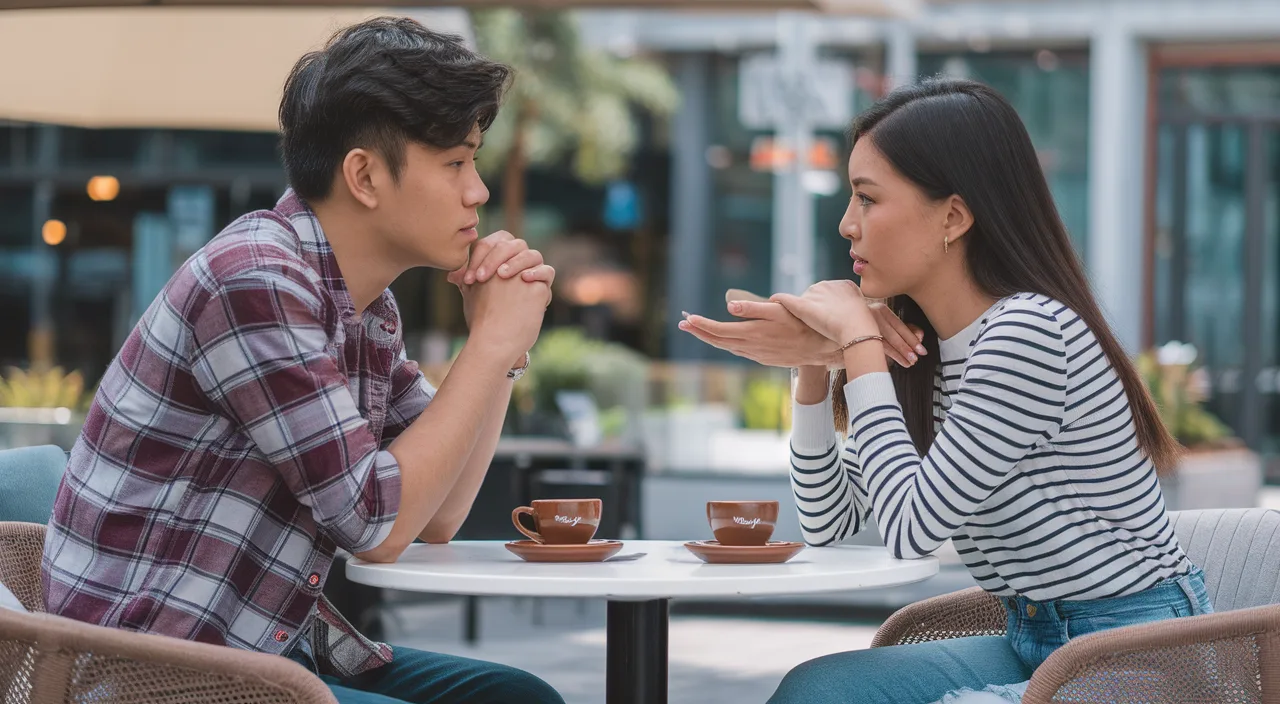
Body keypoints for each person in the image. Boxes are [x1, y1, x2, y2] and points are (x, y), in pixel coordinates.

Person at [42, 17, 564, 704]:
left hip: (269, 651)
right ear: (365, 175)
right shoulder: (254, 280)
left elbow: (435, 513)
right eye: (455, 163)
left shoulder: (364, 308)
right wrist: (491, 342)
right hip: (157, 673)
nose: (479, 193)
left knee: (515, 698)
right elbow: (378, 525)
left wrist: (503, 353)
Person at [679, 77, 1212, 704]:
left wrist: (856, 341)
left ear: (953, 216)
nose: (847, 225)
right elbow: (829, 523)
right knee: (819, 690)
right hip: (1035, 637)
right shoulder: (922, 344)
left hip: (1137, 653)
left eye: (867, 199)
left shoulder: (1027, 333)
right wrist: (816, 367)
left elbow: (911, 530)